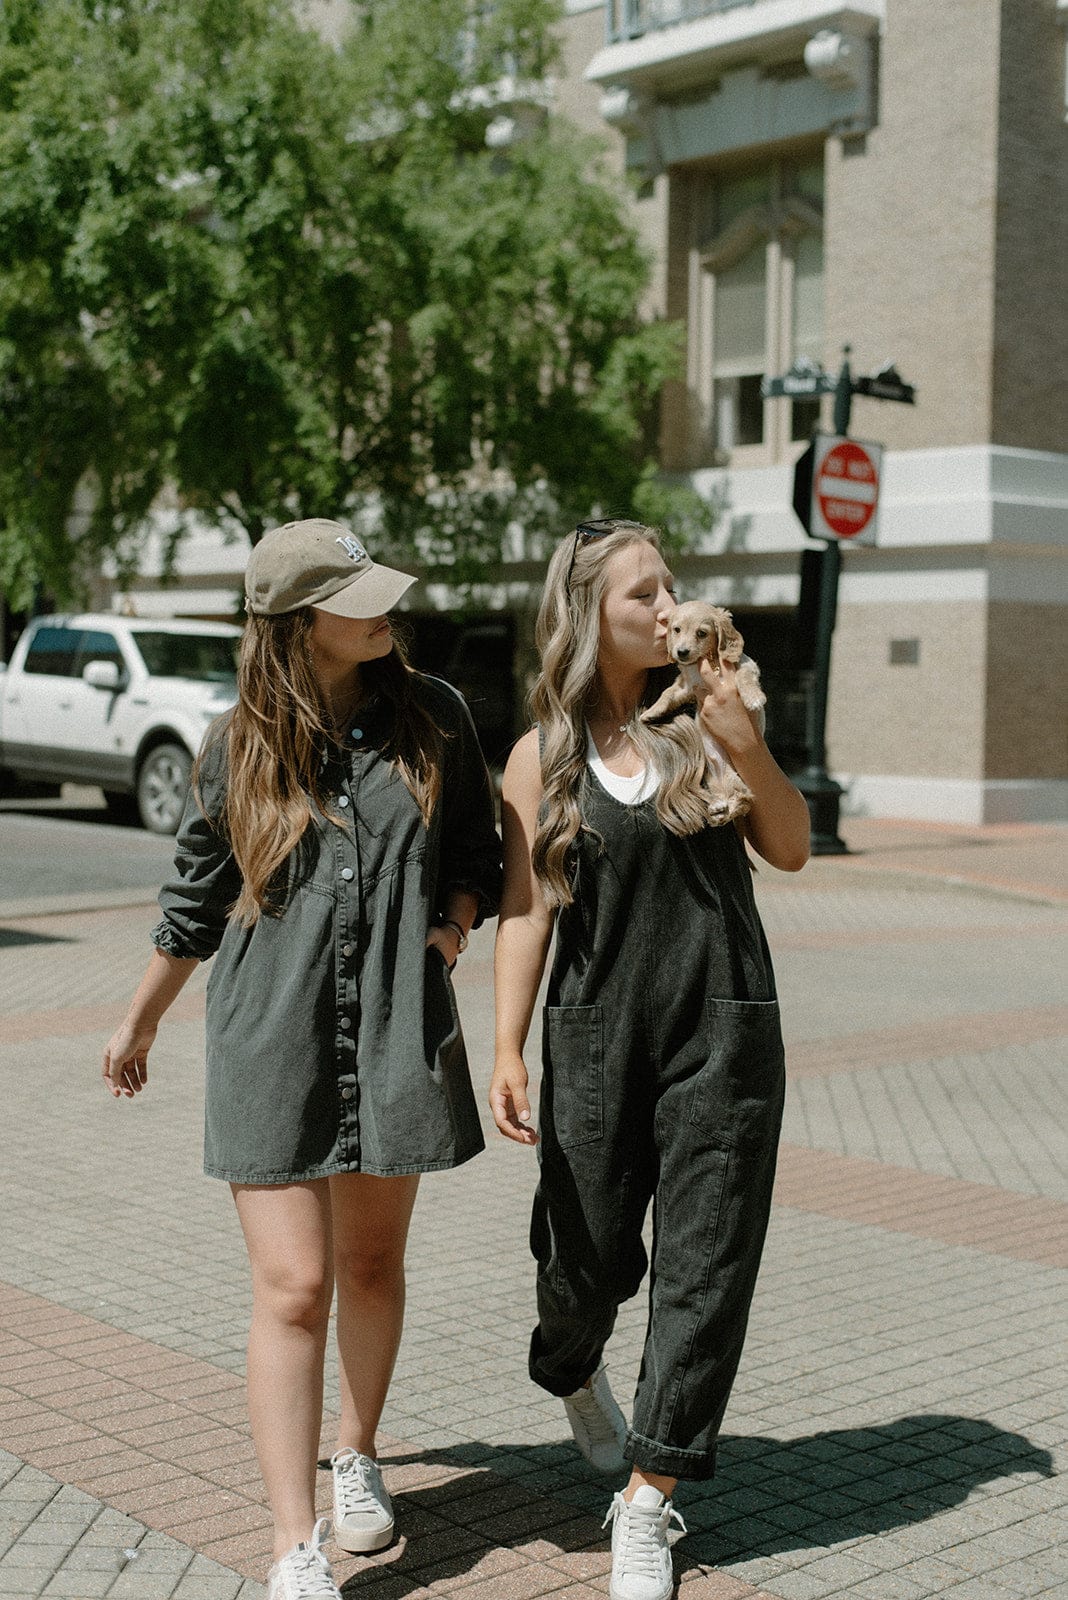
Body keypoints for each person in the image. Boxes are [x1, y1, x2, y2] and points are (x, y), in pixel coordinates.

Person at [103, 519, 501, 1600]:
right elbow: (194, 894)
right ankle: (294, 1542)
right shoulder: (238, 743)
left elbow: (478, 847)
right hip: (267, 1034)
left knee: (369, 1266)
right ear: (298, 622)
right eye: (358, 593)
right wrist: (139, 1019)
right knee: (294, 1283)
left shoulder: (438, 723)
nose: (387, 606)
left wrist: (453, 926)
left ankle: (357, 1450)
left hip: (388, 1029)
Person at [491, 519, 809, 1600]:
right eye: (642, 593)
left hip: (724, 1026)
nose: (667, 604)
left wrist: (744, 737)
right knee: (581, 1268)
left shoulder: (712, 719)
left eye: (671, 584)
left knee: (706, 1268)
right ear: (588, 616)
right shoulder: (544, 754)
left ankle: (647, 1498)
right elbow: (526, 912)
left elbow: (793, 843)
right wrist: (506, 1045)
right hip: (593, 1034)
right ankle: (570, 1366)